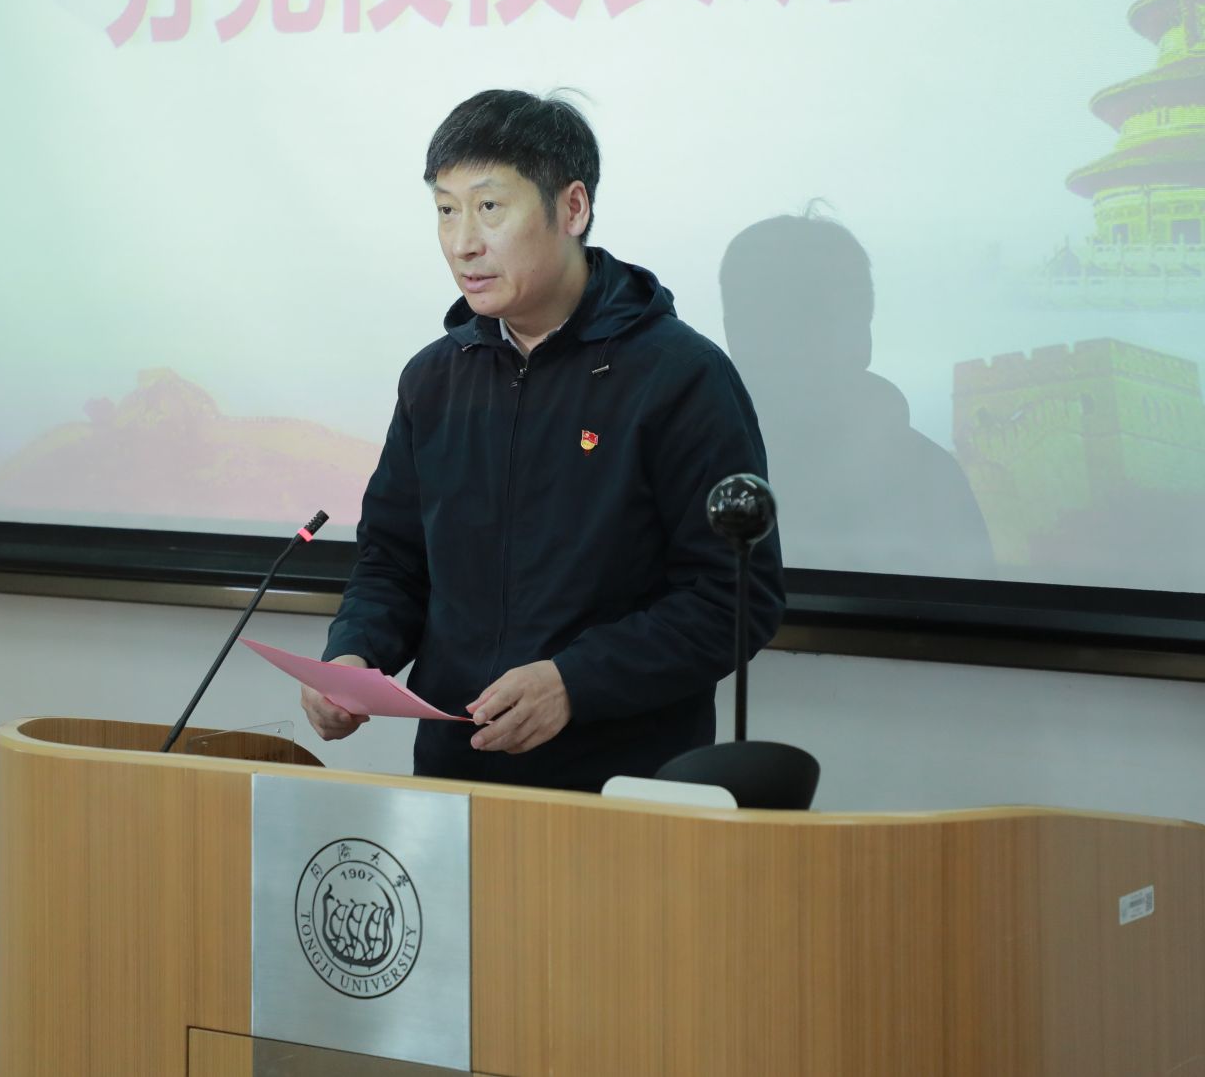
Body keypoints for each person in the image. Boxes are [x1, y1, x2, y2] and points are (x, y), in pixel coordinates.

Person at [301, 90, 785, 791]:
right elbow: (394, 562)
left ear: (573, 208)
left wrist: (574, 682)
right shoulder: (434, 379)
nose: (464, 242)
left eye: (490, 207)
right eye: (446, 210)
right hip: (456, 776)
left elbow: (734, 598)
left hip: (622, 785)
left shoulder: (679, 376)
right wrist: (353, 655)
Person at [718, 208, 993, 575]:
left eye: (816, 315)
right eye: (782, 316)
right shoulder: (684, 467)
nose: (801, 343)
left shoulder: (934, 483)